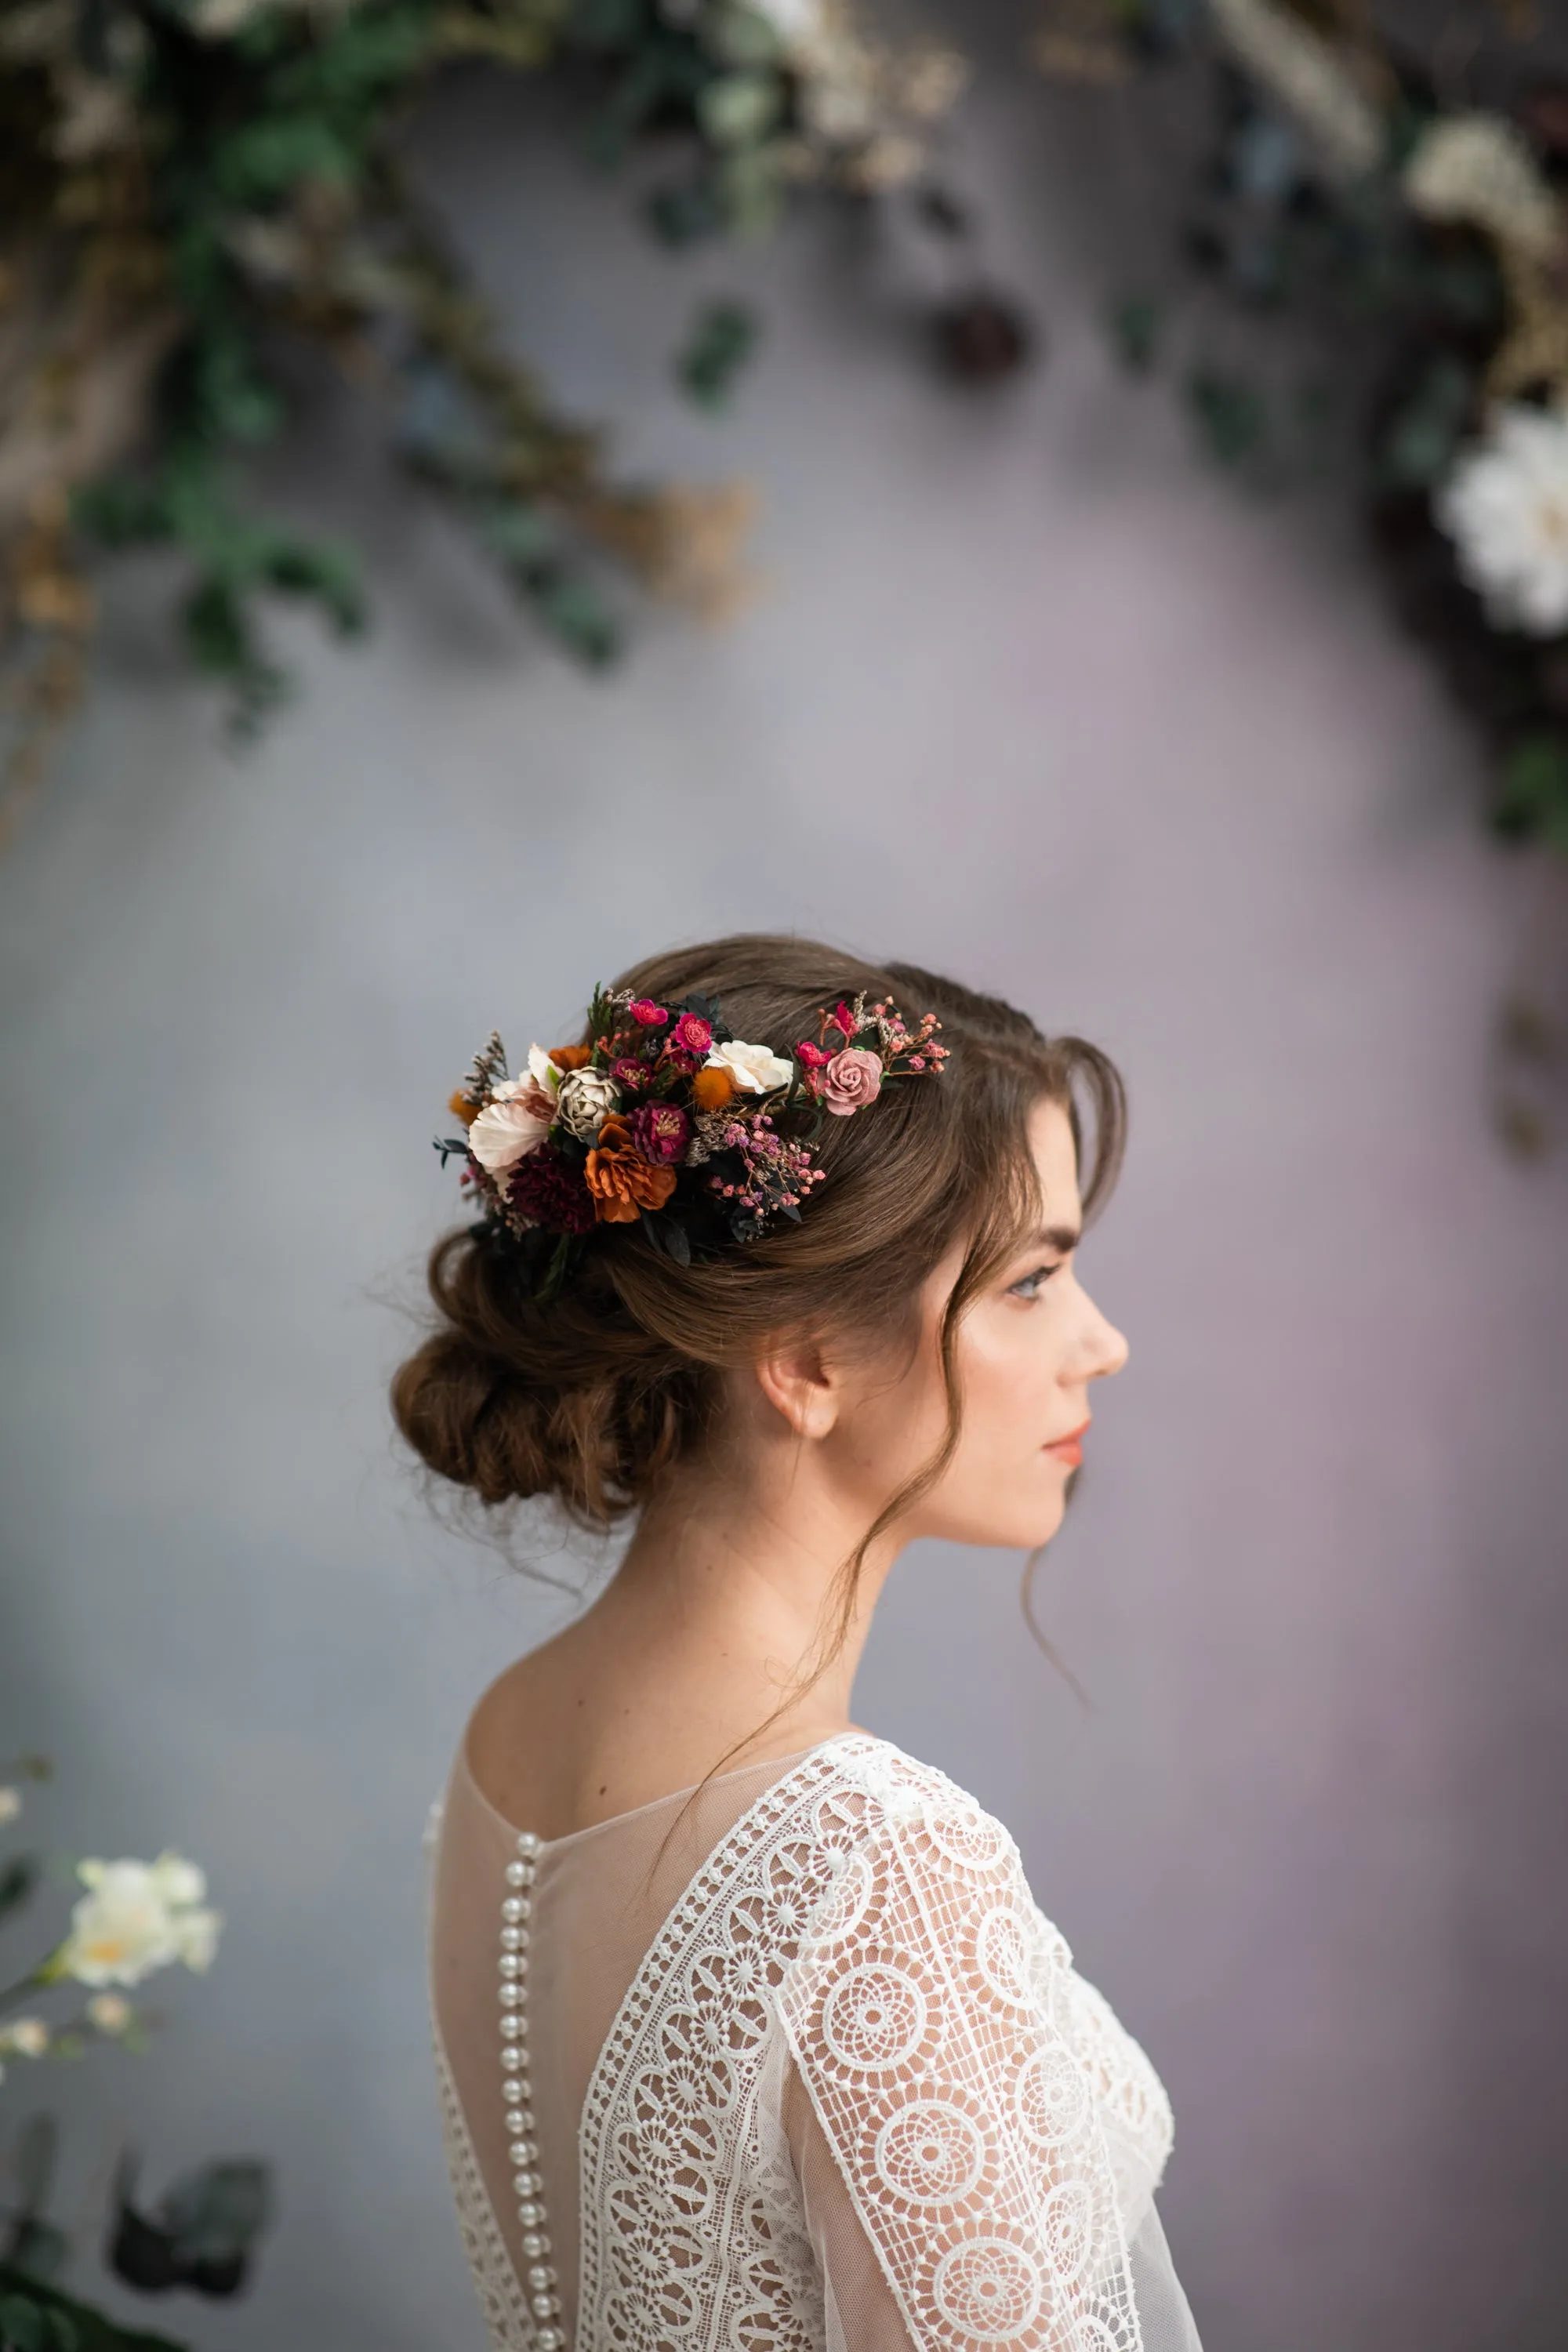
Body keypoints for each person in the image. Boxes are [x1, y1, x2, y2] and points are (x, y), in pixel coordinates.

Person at [397, 934, 1203, 2352]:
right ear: (808, 1361)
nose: (1104, 1343)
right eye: (1029, 1283)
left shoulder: (502, 1742)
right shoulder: (873, 1859)